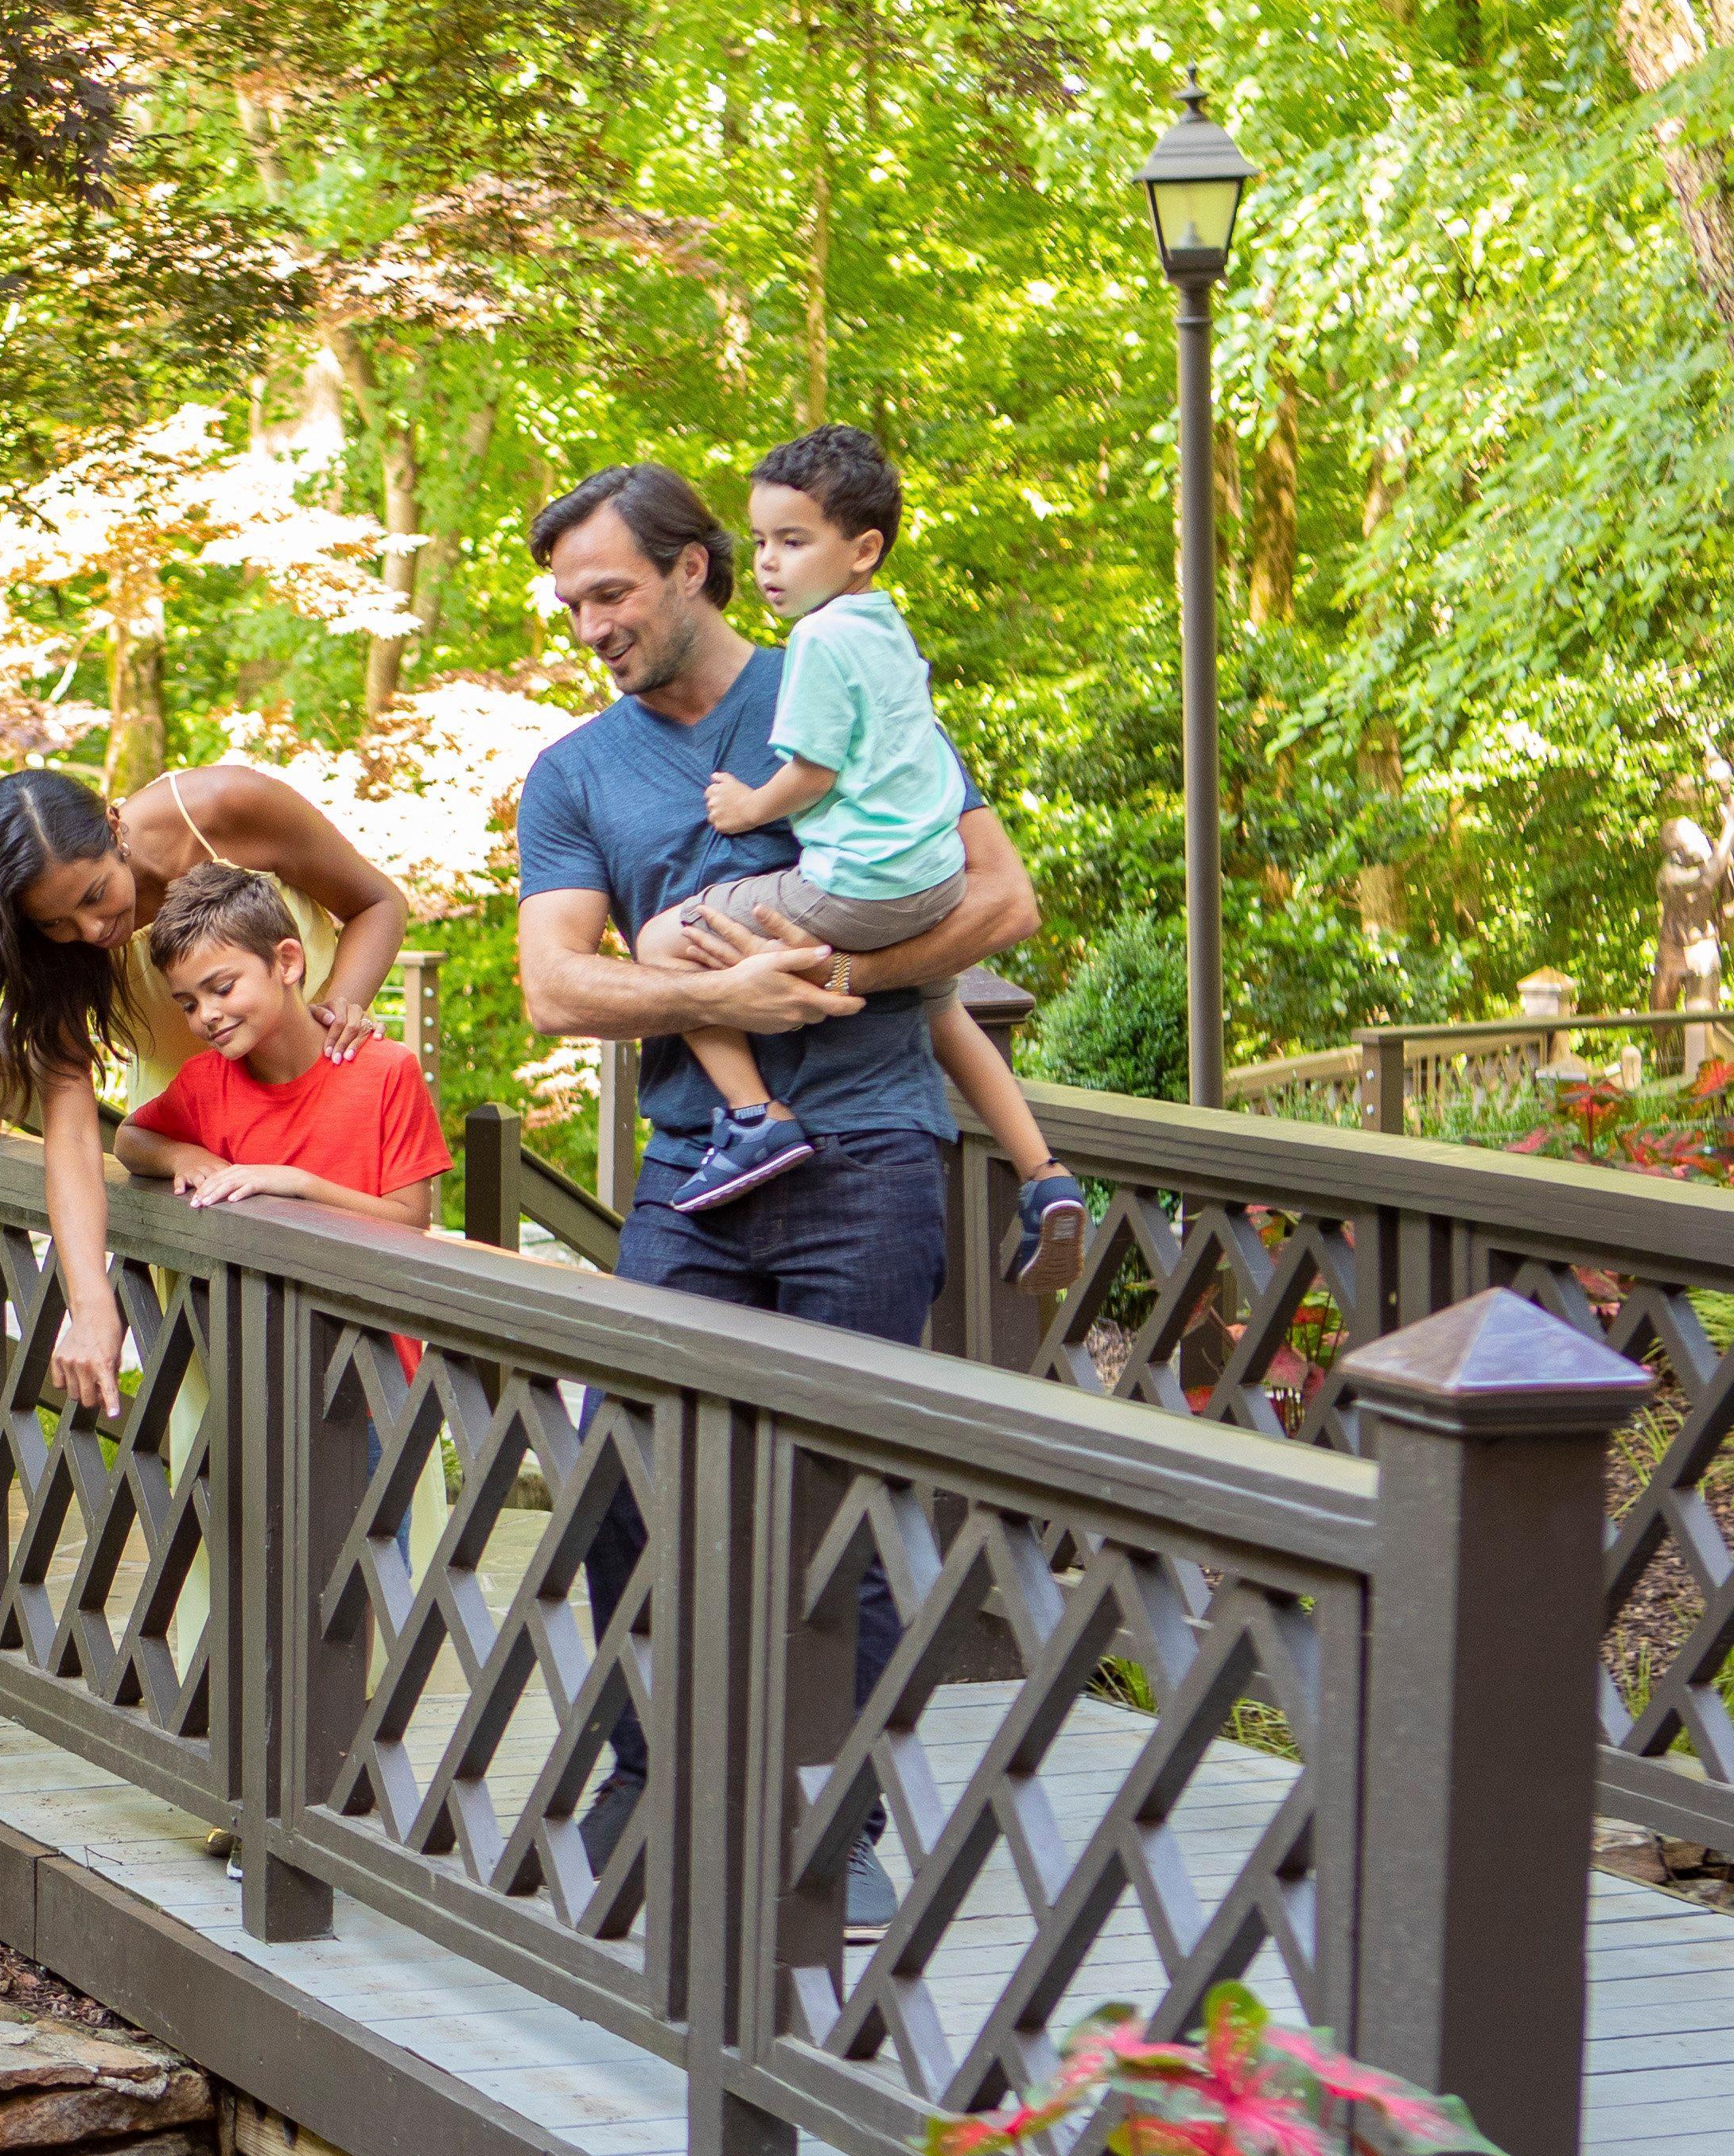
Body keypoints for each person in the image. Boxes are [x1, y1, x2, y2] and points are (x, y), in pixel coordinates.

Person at [507, 460, 1043, 1904]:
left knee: (838, 1496)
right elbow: (557, 989)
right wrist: (721, 982)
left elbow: (1001, 899)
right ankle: (645, 1782)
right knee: (626, 1474)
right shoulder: (575, 774)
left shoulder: (839, 674)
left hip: (868, 1151)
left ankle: (834, 1825)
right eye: (572, 603)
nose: (591, 624)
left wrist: (829, 980)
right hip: (695, 1169)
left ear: (695, 569)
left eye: (611, 591)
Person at [647, 427, 1084, 1287]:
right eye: (762, 542)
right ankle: (1046, 1174)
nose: (768, 563)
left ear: (864, 549)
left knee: (670, 944)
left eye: (794, 541)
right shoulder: (885, 627)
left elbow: (813, 771)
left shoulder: (817, 640)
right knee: (942, 1005)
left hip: (861, 884)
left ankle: (752, 1117)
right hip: (930, 877)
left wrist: (747, 806)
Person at [0, 762, 418, 1417]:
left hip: (324, 1100)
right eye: (58, 924)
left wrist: (338, 1012)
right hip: (193, 1135)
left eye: (96, 894)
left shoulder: (228, 808)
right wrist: (91, 1303)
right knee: (228, 1402)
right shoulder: (61, 947)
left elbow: (379, 903)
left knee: (358, 1389)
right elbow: (69, 1133)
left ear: (115, 827)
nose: (93, 932)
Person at [113, 862, 454, 1238]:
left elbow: (411, 1220)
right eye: (189, 1004)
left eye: (223, 988)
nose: (206, 1015)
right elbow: (130, 1139)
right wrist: (184, 1156)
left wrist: (297, 1185)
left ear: (287, 962)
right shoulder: (202, 1082)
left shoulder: (388, 1069)